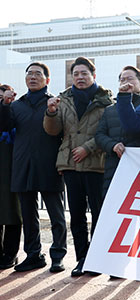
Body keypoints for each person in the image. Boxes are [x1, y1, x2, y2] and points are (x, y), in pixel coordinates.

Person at [43, 56, 113, 277]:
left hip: (96, 163)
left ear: (93, 75)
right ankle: (82, 258)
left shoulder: (106, 101)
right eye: (76, 74)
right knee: (77, 214)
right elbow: (53, 131)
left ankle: (98, 257)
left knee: (99, 212)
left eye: (84, 73)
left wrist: (88, 148)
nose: (80, 78)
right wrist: (51, 113)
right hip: (71, 164)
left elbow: (109, 130)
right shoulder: (63, 99)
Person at [0, 63, 67, 273]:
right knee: (28, 216)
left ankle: (58, 255)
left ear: (47, 80)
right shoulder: (16, 105)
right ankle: (33, 254)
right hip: (22, 166)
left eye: (38, 74)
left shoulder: (56, 103)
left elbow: (63, 132)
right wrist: (3, 104)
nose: (33, 77)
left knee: (56, 215)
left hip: (49, 165)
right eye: (29, 74)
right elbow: (4, 127)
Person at [95, 66, 140, 198]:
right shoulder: (110, 110)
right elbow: (99, 135)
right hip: (113, 167)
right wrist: (112, 145)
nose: (126, 82)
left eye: (130, 79)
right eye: (122, 79)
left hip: (139, 168)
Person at [0, 84, 22, 269]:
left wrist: (6, 105)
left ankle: (10, 253)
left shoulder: (13, 114)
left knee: (13, 213)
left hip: (12, 171)